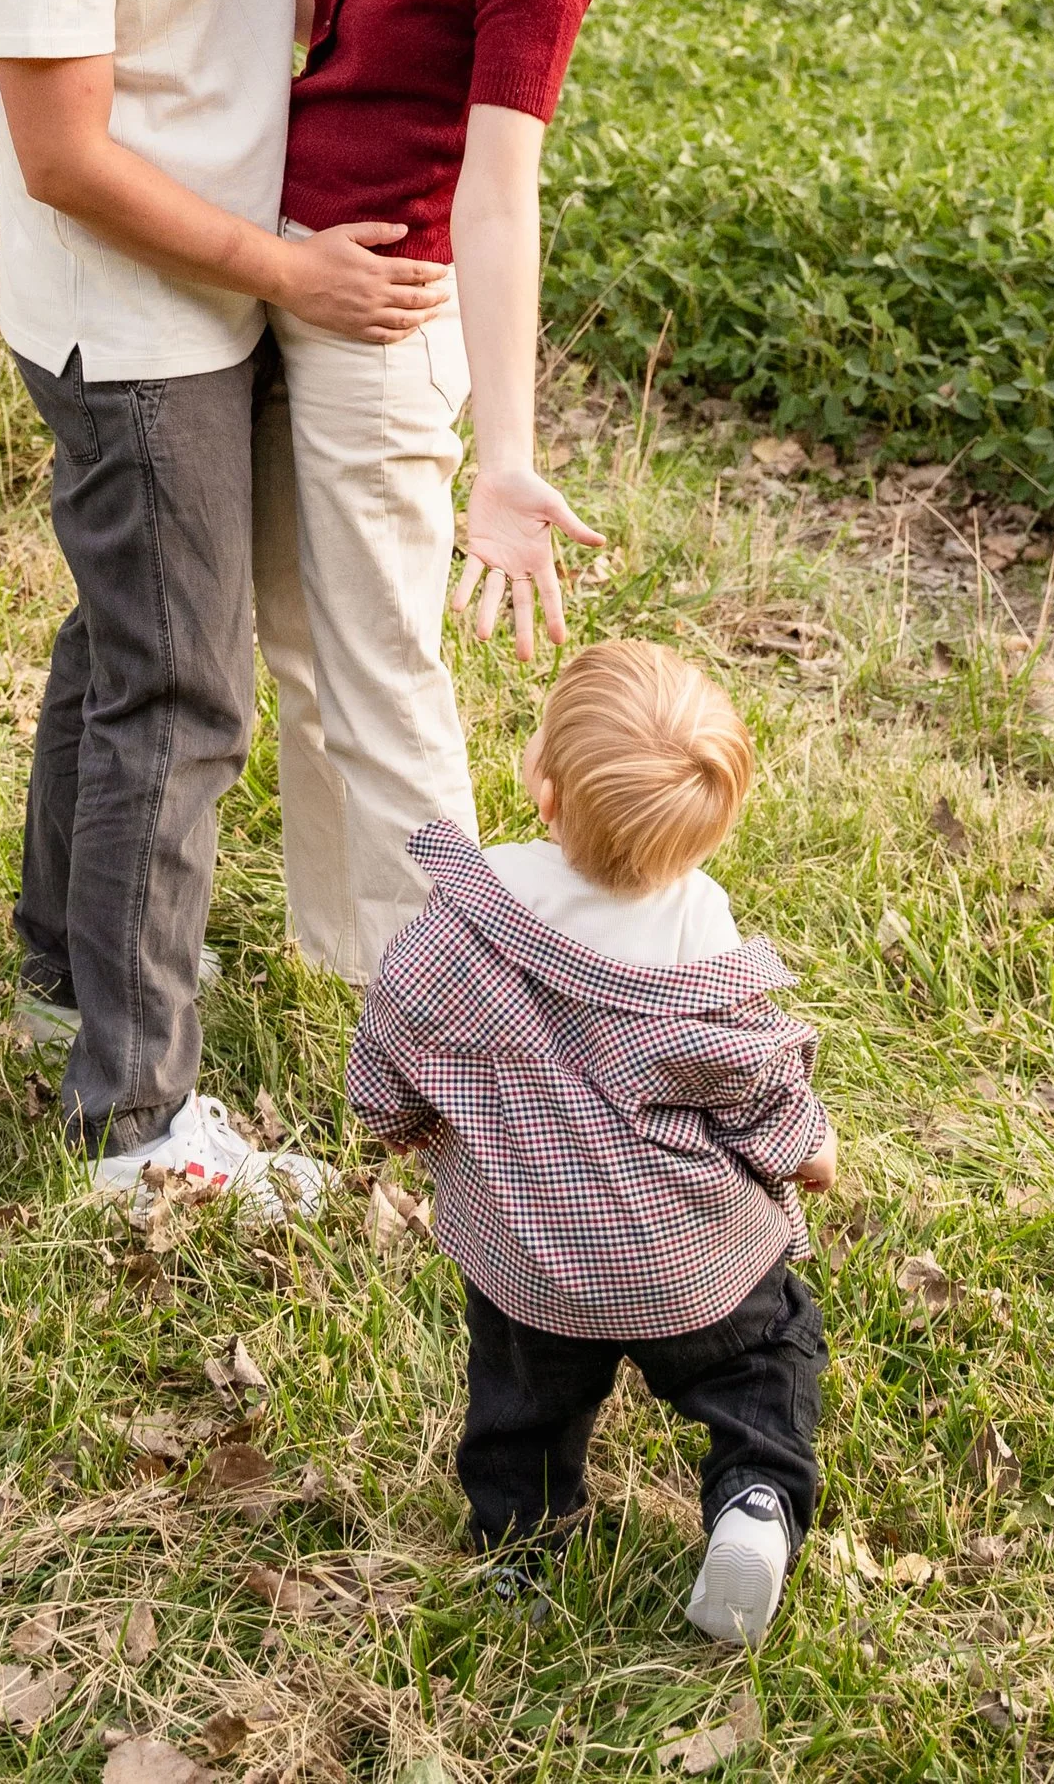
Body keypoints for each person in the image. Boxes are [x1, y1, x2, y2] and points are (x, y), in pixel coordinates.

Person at [0, 0, 448, 1191]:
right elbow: (68, 158)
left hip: (246, 288)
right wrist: (289, 272)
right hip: (129, 324)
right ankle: (139, 1119)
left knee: (121, 645)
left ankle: (55, 968)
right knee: (185, 692)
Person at [251, 0, 621, 984]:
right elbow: (331, 27)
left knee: (385, 675)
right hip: (290, 276)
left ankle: (460, 1022)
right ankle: (356, 964)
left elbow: (499, 190)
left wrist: (508, 456)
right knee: (299, 645)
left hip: (384, 323)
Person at [347, 641, 834, 1642]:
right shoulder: (700, 938)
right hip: (688, 1259)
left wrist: (399, 1121)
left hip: (531, 1260)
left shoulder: (469, 916)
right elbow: (755, 1084)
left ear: (544, 791)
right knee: (764, 1354)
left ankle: (520, 1555)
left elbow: (393, 1021)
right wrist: (809, 1151)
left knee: (521, 1406)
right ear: (706, 836)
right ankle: (753, 1500)